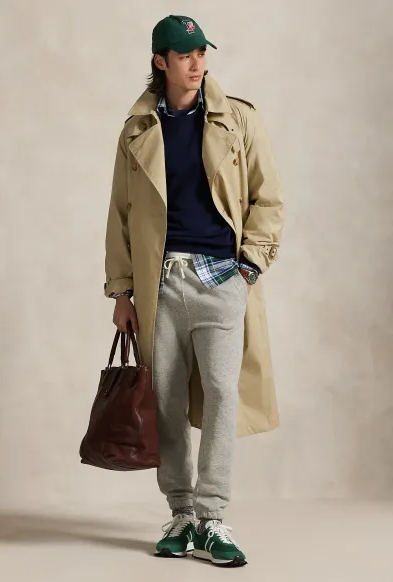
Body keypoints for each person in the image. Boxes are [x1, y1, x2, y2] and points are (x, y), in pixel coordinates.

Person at [104, 14, 284, 568]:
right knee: (167, 402)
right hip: (159, 285)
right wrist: (123, 292)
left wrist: (248, 268)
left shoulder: (238, 119)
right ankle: (181, 514)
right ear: (160, 61)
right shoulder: (137, 130)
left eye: (202, 52)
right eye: (185, 55)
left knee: (224, 396)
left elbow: (268, 197)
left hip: (221, 279)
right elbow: (120, 214)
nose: (197, 63)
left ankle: (212, 518)